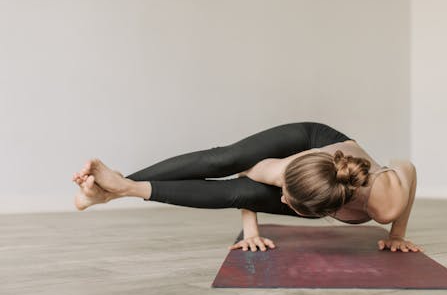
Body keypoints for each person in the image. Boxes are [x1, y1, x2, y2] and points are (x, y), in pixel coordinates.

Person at [72, 121, 423, 254]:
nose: (281, 200)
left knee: (239, 193)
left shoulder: (386, 202)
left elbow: (409, 168)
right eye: (284, 192)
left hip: (329, 183)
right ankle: (117, 186)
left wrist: (397, 233)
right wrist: (249, 229)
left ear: (321, 211)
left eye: (287, 200)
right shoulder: (282, 171)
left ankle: (112, 190)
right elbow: (241, 172)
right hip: (315, 139)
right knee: (224, 159)